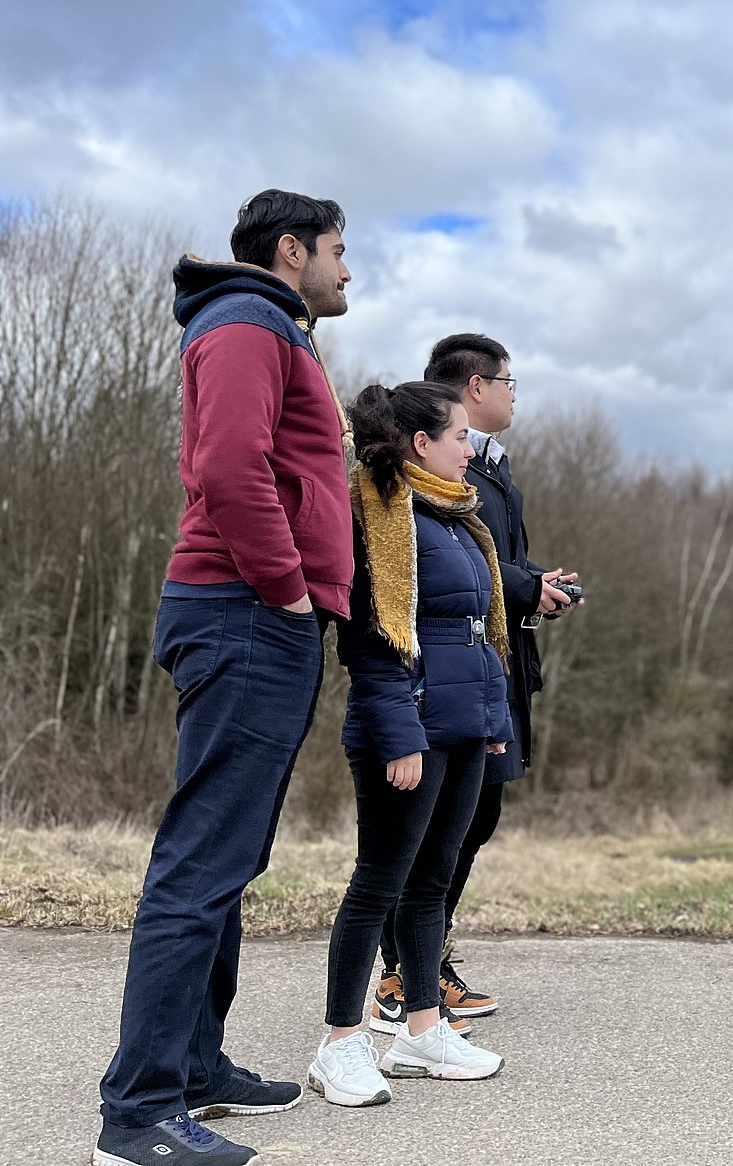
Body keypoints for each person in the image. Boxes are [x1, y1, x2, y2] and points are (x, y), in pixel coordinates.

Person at [97, 190, 353, 1166]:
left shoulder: (272, 327)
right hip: (245, 612)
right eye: (338, 250)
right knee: (201, 861)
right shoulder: (247, 320)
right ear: (291, 250)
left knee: (230, 858)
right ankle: (138, 1116)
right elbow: (229, 467)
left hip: (259, 615)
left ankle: (195, 1066)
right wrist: (288, 588)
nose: (348, 268)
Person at [307, 382, 516, 1105]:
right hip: (407, 732)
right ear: (422, 444)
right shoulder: (379, 515)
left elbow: (477, 634)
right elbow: (371, 638)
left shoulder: (454, 517)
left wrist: (494, 725)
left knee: (431, 884)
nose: (469, 448)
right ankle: (340, 1044)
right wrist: (400, 738)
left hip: (461, 729)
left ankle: (422, 1032)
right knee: (378, 885)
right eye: (459, 435)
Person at [364, 333, 577, 1031]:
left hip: (496, 669)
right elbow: (438, 572)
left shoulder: (491, 468)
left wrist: (537, 585)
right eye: (508, 381)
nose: (516, 394)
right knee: (433, 835)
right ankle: (404, 978)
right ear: (474, 387)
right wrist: (527, 586)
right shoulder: (424, 479)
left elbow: (491, 561)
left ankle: (426, 968)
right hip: (445, 678)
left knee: (474, 823)